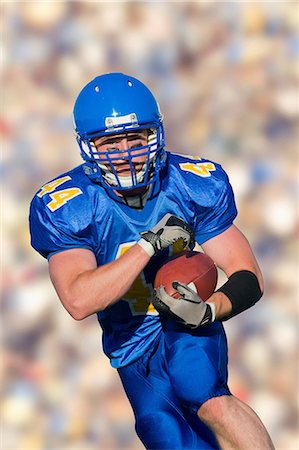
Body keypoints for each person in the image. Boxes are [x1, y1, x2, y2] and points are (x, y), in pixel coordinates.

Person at [29, 73, 274, 449]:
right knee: (165, 433)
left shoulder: (189, 183)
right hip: (131, 345)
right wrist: (149, 244)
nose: (126, 152)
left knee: (206, 395)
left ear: (155, 135)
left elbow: (248, 273)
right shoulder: (69, 205)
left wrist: (209, 311)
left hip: (186, 323)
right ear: (88, 145)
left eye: (135, 138)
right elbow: (78, 300)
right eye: (111, 142)